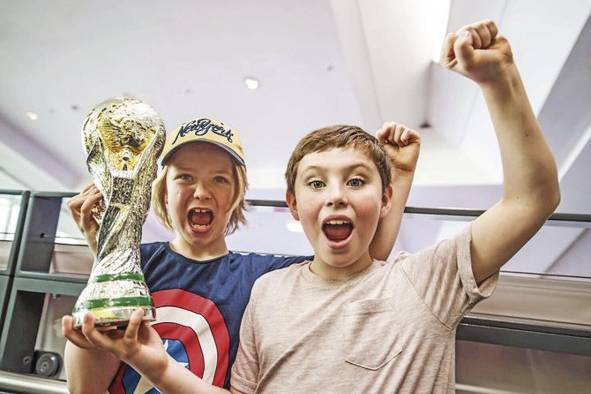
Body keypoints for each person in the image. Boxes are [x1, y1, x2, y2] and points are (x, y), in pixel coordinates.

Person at [71, 19, 560, 393]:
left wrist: (499, 81)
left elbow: (532, 200)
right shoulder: (269, 293)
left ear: (384, 198)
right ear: (293, 205)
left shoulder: (426, 280)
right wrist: (149, 358)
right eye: (316, 183)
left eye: (356, 180)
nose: (336, 195)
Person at [62, 114, 420, 393]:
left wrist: (399, 176)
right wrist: (109, 254)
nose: (201, 191)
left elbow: (362, 256)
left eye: (219, 179)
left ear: (236, 196)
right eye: (185, 177)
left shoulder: (261, 278)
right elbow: (85, 388)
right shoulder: (136, 262)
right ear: (163, 191)